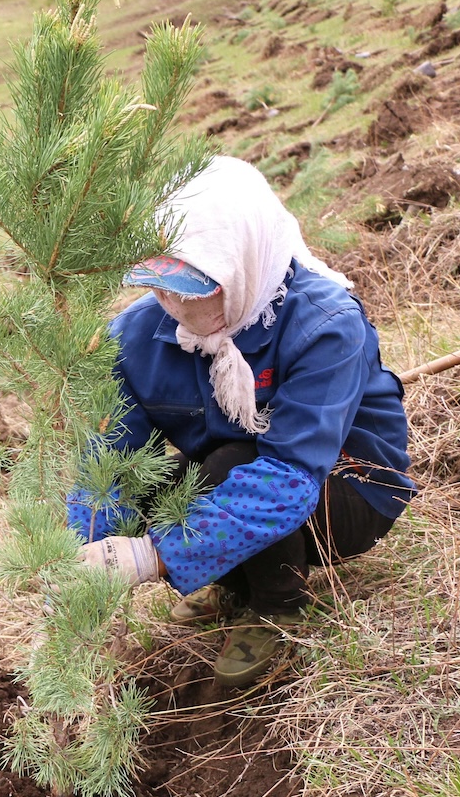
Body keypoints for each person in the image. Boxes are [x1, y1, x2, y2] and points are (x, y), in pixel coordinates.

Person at [70, 155, 415, 688]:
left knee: (234, 464)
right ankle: (228, 577)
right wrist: (90, 550)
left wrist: (153, 556)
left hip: (344, 489)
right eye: (160, 283)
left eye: (194, 284)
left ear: (240, 259)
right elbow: (107, 460)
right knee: (167, 484)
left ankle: (276, 606)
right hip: (225, 465)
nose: (172, 303)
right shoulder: (136, 336)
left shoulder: (324, 324)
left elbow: (289, 477)